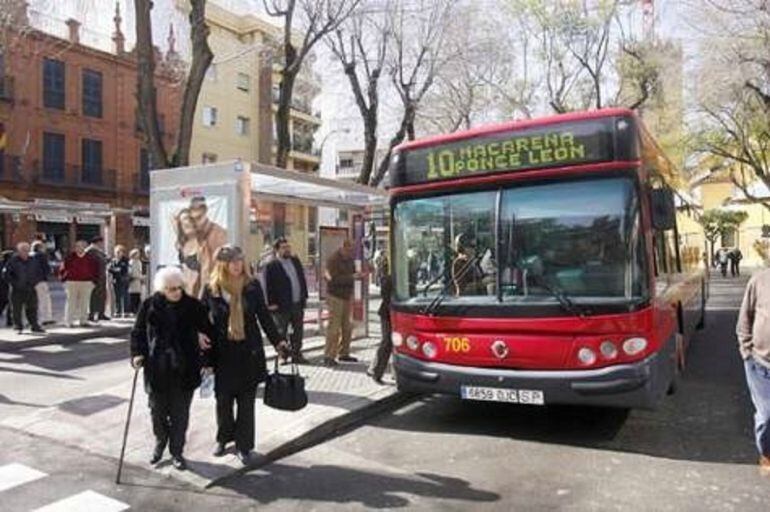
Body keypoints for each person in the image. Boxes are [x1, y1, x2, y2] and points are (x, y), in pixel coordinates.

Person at [200, 245, 288, 465]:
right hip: (221, 352)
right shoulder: (212, 289)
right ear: (223, 264)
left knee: (246, 401)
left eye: (240, 260)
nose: (238, 265)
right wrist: (198, 336)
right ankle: (223, 438)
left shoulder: (252, 286)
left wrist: (278, 341)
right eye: (233, 261)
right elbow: (200, 320)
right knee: (223, 400)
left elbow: (264, 317)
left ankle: (244, 445)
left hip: (248, 351)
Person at [130, 266, 215, 471]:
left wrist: (208, 362)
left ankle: (177, 451)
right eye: (170, 289)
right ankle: (161, 441)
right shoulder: (150, 305)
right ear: (161, 290)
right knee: (157, 412)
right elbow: (138, 332)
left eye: (178, 288)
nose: (176, 292)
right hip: (157, 369)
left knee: (179, 415)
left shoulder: (194, 306)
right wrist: (137, 355)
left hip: (184, 370)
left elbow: (209, 334)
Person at [736, 269, 770, 476]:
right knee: (767, 415)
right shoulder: (760, 280)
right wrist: (746, 351)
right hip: (760, 364)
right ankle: (766, 452)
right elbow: (744, 319)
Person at [265, 237, 309, 365]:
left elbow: (301, 279)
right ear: (277, 250)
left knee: (298, 330)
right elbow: (268, 286)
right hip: (281, 305)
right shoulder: (272, 265)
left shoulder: (295, 261)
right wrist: (271, 303)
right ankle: (283, 355)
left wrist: (304, 296)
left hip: (297, 303)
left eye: (288, 247)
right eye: (284, 247)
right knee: (281, 331)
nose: (287, 250)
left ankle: (297, 354)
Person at [324, 239, 362, 366]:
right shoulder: (333, 260)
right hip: (335, 296)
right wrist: (352, 277)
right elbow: (332, 279)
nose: (352, 253)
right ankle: (329, 355)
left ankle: (344, 353)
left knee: (347, 327)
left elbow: (351, 274)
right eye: (350, 250)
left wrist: (357, 275)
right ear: (344, 248)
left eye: (352, 250)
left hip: (346, 296)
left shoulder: (350, 260)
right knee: (334, 328)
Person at [2, 242, 44, 334]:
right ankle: (18, 326)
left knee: (32, 308)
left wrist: (34, 282)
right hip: (17, 289)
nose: (26, 252)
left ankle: (34, 325)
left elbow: (39, 272)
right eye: (23, 250)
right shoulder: (12, 261)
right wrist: (14, 283)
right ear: (19, 251)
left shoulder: (33, 260)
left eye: (27, 250)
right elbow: (6, 274)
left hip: (31, 288)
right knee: (16, 309)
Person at [189, 197, 228, 295]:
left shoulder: (220, 234)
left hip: (217, 291)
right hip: (201, 294)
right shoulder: (194, 237)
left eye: (198, 217)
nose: (196, 223)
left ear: (205, 211)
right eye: (193, 219)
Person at [61, 241, 98, 328]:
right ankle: (69, 321)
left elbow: (96, 270)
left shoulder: (91, 258)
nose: (79, 248)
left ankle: (83, 320)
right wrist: (64, 280)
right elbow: (63, 269)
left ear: (85, 247)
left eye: (81, 246)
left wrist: (94, 282)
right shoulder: (70, 257)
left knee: (85, 302)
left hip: (86, 282)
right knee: (71, 302)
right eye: (77, 246)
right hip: (72, 282)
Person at [367, 258, 392, 384]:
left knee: (391, 343)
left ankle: (375, 369)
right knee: (387, 342)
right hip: (387, 313)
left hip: (395, 312)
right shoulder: (386, 277)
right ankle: (376, 371)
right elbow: (386, 294)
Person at [31, 241, 54, 326]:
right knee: (44, 300)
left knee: (32, 301)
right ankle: (46, 318)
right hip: (41, 280)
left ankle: (33, 319)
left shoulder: (30, 255)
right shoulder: (41, 255)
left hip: (30, 282)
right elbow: (46, 268)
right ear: (40, 248)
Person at [86, 236, 109, 321]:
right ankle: (91, 315)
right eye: (101, 242)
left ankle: (101, 314)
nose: (102, 244)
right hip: (94, 277)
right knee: (93, 296)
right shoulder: (90, 251)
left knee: (102, 296)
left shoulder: (99, 251)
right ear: (98, 242)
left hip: (101, 276)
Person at [108, 245, 130, 318]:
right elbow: (109, 269)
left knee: (125, 296)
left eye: (119, 252)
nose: (118, 254)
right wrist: (116, 269)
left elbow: (124, 269)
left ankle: (126, 312)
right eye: (116, 252)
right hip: (116, 280)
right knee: (117, 297)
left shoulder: (125, 260)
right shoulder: (113, 260)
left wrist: (116, 269)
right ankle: (118, 312)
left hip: (123, 280)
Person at [128, 248, 145, 314]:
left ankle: (137, 309)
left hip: (138, 281)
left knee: (138, 295)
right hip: (134, 280)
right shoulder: (131, 262)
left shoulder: (139, 262)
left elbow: (140, 271)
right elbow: (131, 272)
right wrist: (137, 277)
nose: (138, 255)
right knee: (133, 296)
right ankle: (133, 310)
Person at [0, 250, 12, 327]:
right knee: (6, 303)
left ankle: (10, 320)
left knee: (6, 303)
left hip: (4, 286)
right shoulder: (7, 264)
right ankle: (9, 320)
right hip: (4, 286)